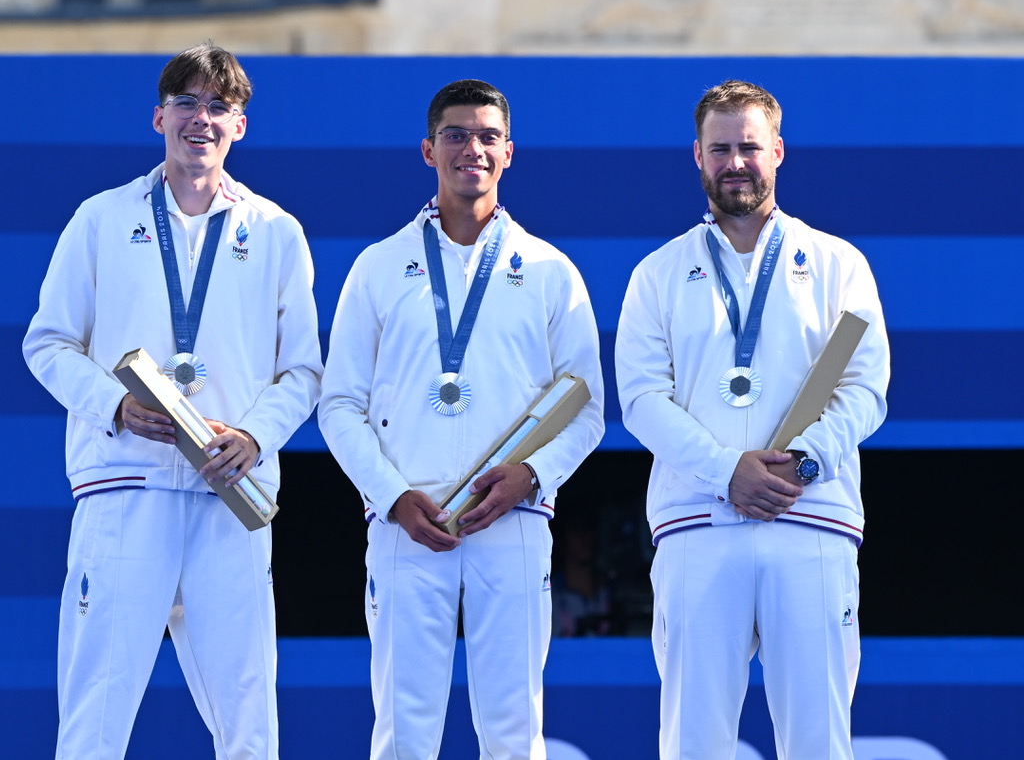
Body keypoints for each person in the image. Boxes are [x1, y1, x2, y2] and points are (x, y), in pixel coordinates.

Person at [23, 42, 322, 760]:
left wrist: (254, 434)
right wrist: (116, 407)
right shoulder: (100, 218)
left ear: (241, 126)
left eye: (220, 107)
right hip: (128, 485)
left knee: (249, 717)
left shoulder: (277, 232)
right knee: (97, 712)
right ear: (158, 116)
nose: (202, 118)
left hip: (231, 494)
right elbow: (47, 342)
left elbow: (305, 371)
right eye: (187, 102)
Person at [318, 79, 604, 759]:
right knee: (403, 730)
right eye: (455, 134)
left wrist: (532, 475)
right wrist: (390, 495)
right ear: (427, 149)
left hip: (513, 521)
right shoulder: (379, 267)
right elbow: (338, 405)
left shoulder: (549, 270)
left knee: (511, 726)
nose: (470, 148)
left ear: (509, 152)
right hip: (407, 521)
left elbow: (587, 408)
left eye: (485, 136)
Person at [614, 80, 890, 759]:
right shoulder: (658, 273)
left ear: (778, 151)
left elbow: (865, 384)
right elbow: (642, 399)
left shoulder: (838, 264)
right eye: (721, 149)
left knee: (819, 741)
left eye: (749, 147)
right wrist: (725, 472)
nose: (736, 161)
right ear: (698, 157)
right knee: (693, 741)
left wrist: (801, 462)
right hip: (699, 523)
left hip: (812, 517)